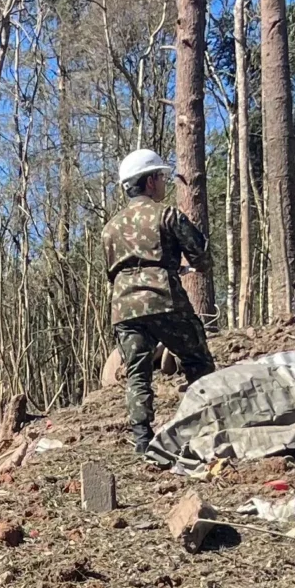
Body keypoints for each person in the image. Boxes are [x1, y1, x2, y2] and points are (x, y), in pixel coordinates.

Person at [102, 148, 217, 464]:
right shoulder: (167, 215)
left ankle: (142, 440)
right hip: (164, 298)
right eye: (162, 177)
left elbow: (112, 270)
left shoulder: (109, 228)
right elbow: (202, 258)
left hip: (123, 307)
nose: (164, 182)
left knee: (137, 372)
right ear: (149, 182)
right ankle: (204, 429)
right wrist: (182, 266)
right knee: (197, 359)